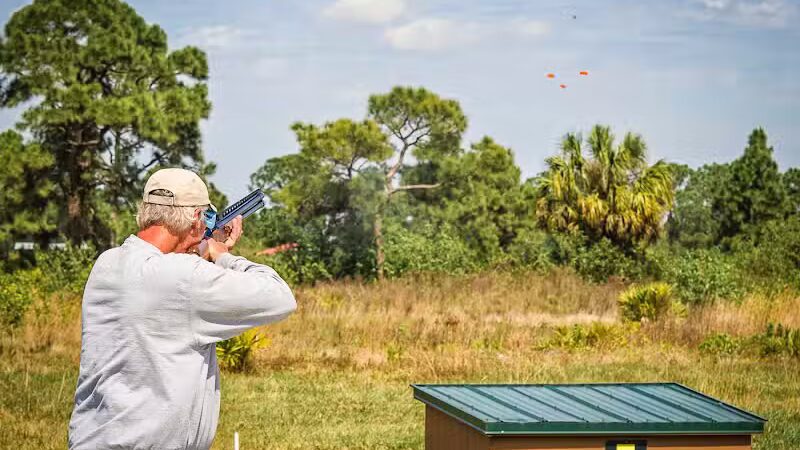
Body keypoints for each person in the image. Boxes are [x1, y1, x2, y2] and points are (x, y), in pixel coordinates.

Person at [68, 168, 296, 449]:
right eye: (207, 217)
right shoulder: (185, 276)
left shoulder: (107, 263)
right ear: (198, 219)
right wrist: (223, 256)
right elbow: (280, 296)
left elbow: (166, 284)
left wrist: (199, 252)